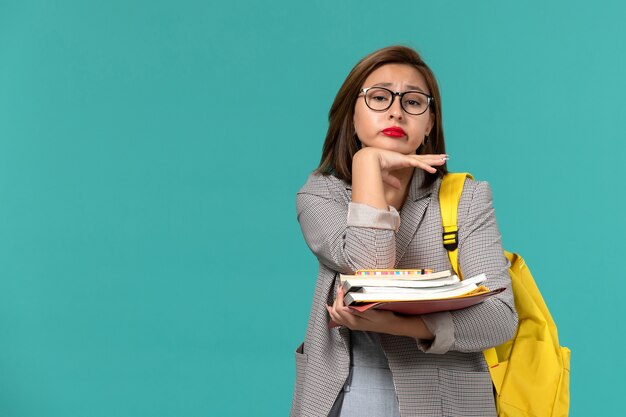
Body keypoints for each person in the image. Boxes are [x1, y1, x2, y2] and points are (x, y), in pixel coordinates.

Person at [290, 45, 518, 417]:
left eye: (413, 102)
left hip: (446, 401)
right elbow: (369, 263)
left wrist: (400, 325)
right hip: (342, 395)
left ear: (429, 123)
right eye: (379, 97)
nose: (396, 110)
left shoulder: (467, 199)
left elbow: (499, 319)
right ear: (353, 114)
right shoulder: (320, 194)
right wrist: (367, 163)